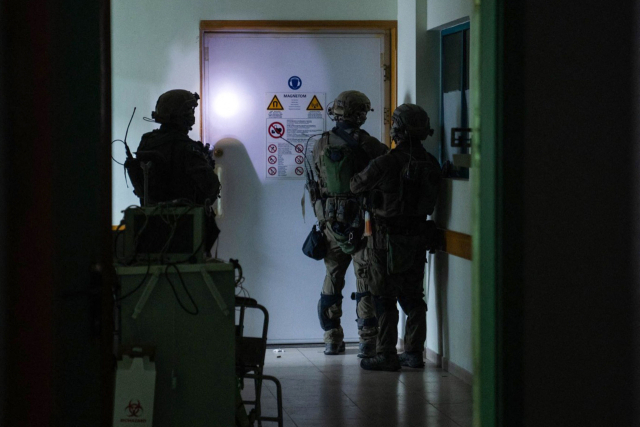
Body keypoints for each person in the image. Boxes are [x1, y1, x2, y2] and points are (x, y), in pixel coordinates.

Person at [350, 103, 441, 371]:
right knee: (414, 299)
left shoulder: (386, 162)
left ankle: (386, 353)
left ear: (397, 129)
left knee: (383, 298)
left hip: (384, 241)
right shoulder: (432, 163)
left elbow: (355, 184)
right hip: (416, 238)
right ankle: (413, 353)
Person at [310, 90, 388, 357]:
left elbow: (315, 185)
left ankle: (331, 337)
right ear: (360, 114)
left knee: (333, 277)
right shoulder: (369, 144)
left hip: (331, 222)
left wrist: (323, 217)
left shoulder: (320, 144)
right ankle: (367, 341)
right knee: (364, 277)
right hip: (363, 224)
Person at [125, 89, 221, 248]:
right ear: (182, 115)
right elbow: (210, 191)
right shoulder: (187, 149)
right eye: (190, 110)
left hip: (150, 228)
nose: (192, 114)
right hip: (185, 229)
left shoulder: (147, 141)